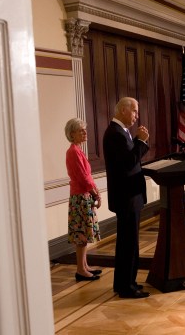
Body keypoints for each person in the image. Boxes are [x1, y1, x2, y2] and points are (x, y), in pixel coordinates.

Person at [103, 97, 150, 299]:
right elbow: (128, 164)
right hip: (126, 197)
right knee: (128, 243)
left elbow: (131, 160)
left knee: (128, 243)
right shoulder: (115, 133)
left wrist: (139, 142)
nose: (136, 116)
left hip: (130, 196)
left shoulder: (121, 132)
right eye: (134, 111)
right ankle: (125, 287)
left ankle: (126, 282)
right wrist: (140, 141)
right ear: (123, 110)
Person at [65, 118, 102, 282]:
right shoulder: (73, 151)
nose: (85, 133)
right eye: (81, 130)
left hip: (84, 195)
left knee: (85, 234)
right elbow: (82, 177)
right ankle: (80, 270)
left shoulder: (78, 150)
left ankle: (84, 266)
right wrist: (95, 193)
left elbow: (88, 176)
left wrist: (96, 192)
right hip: (80, 197)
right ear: (72, 134)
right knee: (81, 235)